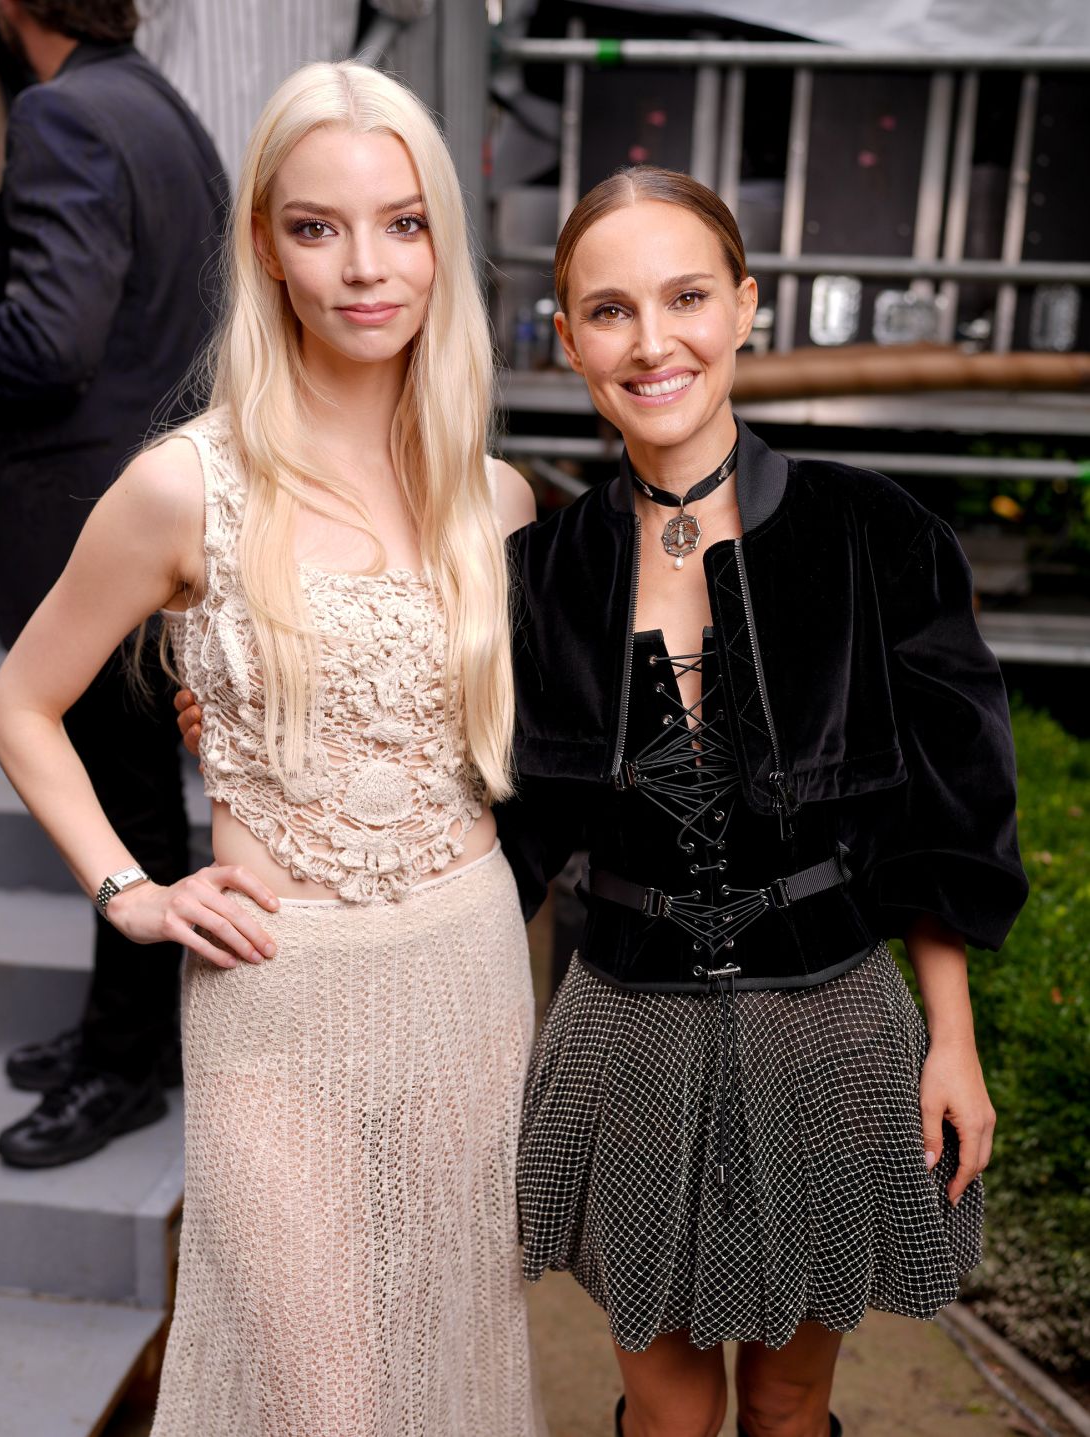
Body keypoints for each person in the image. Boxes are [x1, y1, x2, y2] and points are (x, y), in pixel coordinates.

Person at [0, 59, 543, 1436]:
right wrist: (133, 890)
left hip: (469, 977)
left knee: (452, 1352)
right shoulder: (183, 484)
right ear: (264, 248)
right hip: (275, 1001)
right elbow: (19, 702)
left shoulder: (499, 500)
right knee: (325, 1402)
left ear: (442, 244)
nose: (366, 266)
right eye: (318, 226)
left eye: (403, 223)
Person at [503, 169, 1028, 1437]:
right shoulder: (538, 573)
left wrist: (950, 1042)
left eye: (686, 296)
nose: (653, 341)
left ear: (746, 307)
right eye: (611, 311)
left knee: (790, 1405)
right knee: (665, 1409)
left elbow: (949, 813)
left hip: (830, 1023)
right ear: (567, 339)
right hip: (625, 1031)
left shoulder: (880, 534)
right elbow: (487, 816)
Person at [0, 0, 227, 1166]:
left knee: (117, 796)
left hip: (79, 513)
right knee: (132, 787)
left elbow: (47, 342)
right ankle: (129, 1029)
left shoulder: (62, 112)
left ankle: (123, 1065)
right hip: (146, 501)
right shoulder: (159, 106)